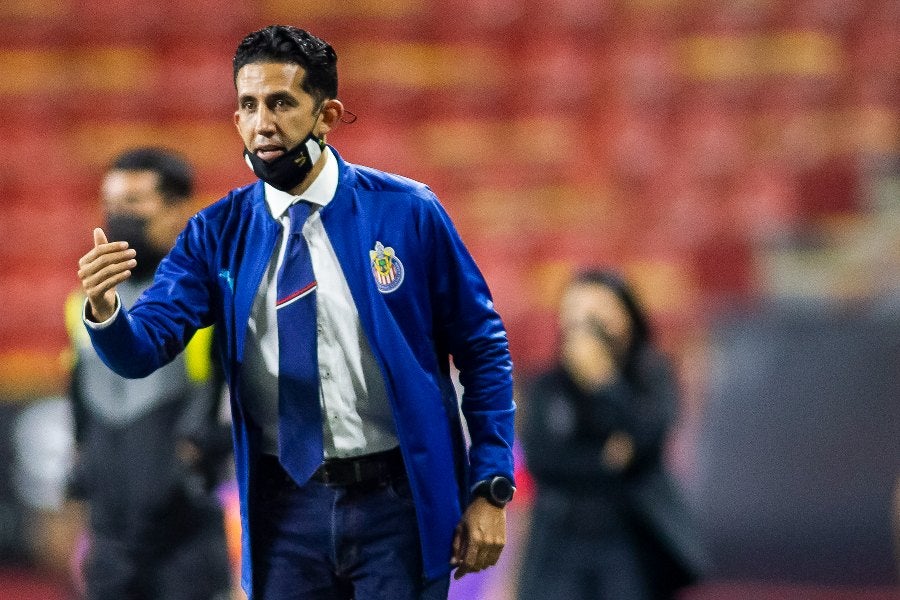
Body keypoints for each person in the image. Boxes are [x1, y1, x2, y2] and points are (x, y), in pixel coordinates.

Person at [75, 25, 516, 600]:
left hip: (397, 504)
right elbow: (145, 347)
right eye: (249, 106)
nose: (263, 123)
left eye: (282, 103)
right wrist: (107, 311)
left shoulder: (408, 213)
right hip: (285, 510)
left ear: (326, 115)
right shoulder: (216, 233)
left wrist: (489, 485)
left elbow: (482, 347)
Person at [64, 148, 234, 600]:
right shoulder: (84, 305)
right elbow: (81, 404)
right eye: (112, 205)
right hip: (110, 539)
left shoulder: (211, 299)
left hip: (186, 536)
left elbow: (238, 406)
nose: (120, 217)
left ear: (178, 209)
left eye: (136, 203)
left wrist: (201, 451)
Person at [518, 270, 705, 600]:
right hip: (559, 541)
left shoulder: (652, 376)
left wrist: (605, 384)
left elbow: (647, 440)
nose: (588, 330)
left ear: (626, 316)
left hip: (629, 538)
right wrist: (606, 461)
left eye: (599, 315)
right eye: (577, 316)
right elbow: (543, 461)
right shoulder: (547, 386)